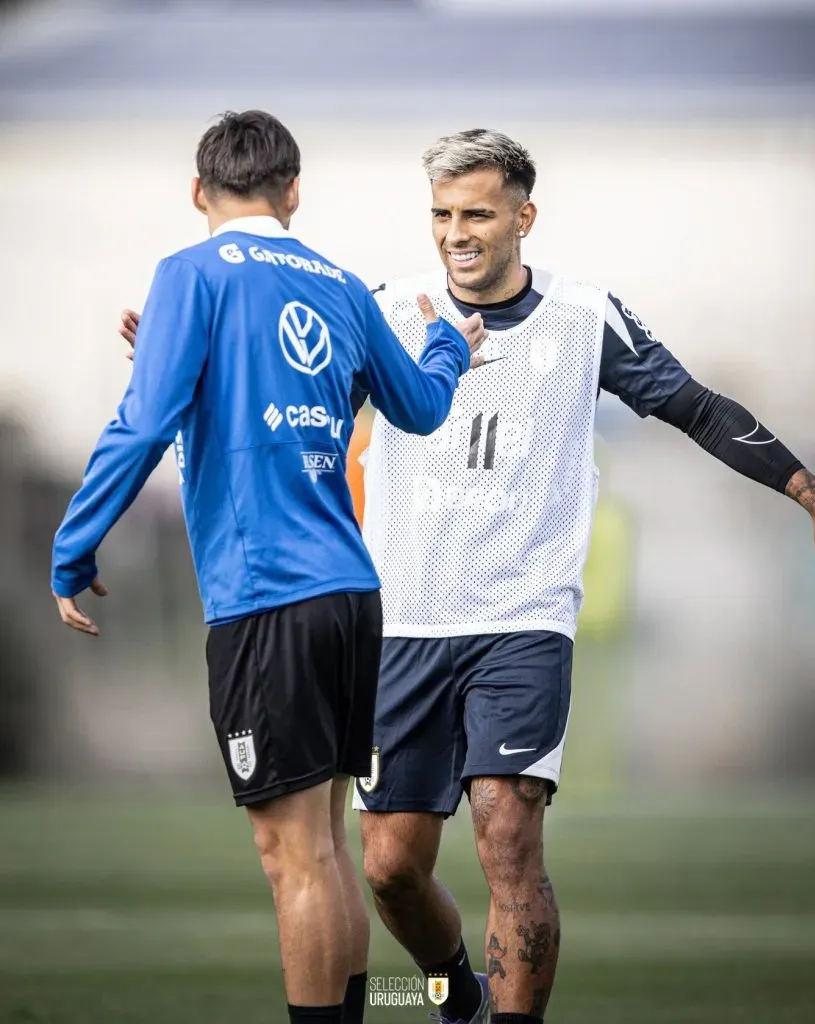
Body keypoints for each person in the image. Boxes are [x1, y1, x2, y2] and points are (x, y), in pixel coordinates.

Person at [119, 128, 815, 1024]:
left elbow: (695, 407)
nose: (457, 231)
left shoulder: (583, 316)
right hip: (401, 624)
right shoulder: (383, 307)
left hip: (523, 621)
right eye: (443, 214)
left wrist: (800, 486)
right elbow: (278, 399)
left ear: (523, 217)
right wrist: (178, 370)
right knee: (389, 870)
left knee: (505, 832)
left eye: (478, 213)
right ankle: (455, 997)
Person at [51, 110, 486, 1024]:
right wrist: (447, 343)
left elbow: (143, 420)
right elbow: (416, 407)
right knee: (321, 846)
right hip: (348, 598)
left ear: (198, 193)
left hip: (267, 600)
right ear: (293, 193)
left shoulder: (189, 272)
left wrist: (73, 546)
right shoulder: (336, 284)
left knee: (291, 856)